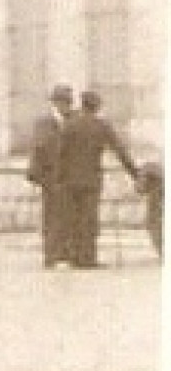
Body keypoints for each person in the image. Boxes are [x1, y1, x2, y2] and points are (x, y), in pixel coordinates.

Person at [57, 88, 141, 268]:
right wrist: (135, 173)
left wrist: (59, 178)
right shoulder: (102, 126)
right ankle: (88, 258)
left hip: (69, 180)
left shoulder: (69, 125)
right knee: (89, 219)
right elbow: (120, 151)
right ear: (97, 106)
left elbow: (60, 153)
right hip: (91, 179)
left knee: (73, 218)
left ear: (83, 104)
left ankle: (75, 256)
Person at [25, 84, 76, 268]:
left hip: (70, 177)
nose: (64, 106)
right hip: (50, 176)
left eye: (67, 102)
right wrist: (34, 173)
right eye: (61, 102)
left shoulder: (75, 120)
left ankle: (66, 251)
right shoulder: (43, 123)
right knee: (51, 215)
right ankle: (51, 253)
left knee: (69, 215)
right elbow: (37, 148)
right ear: (55, 103)